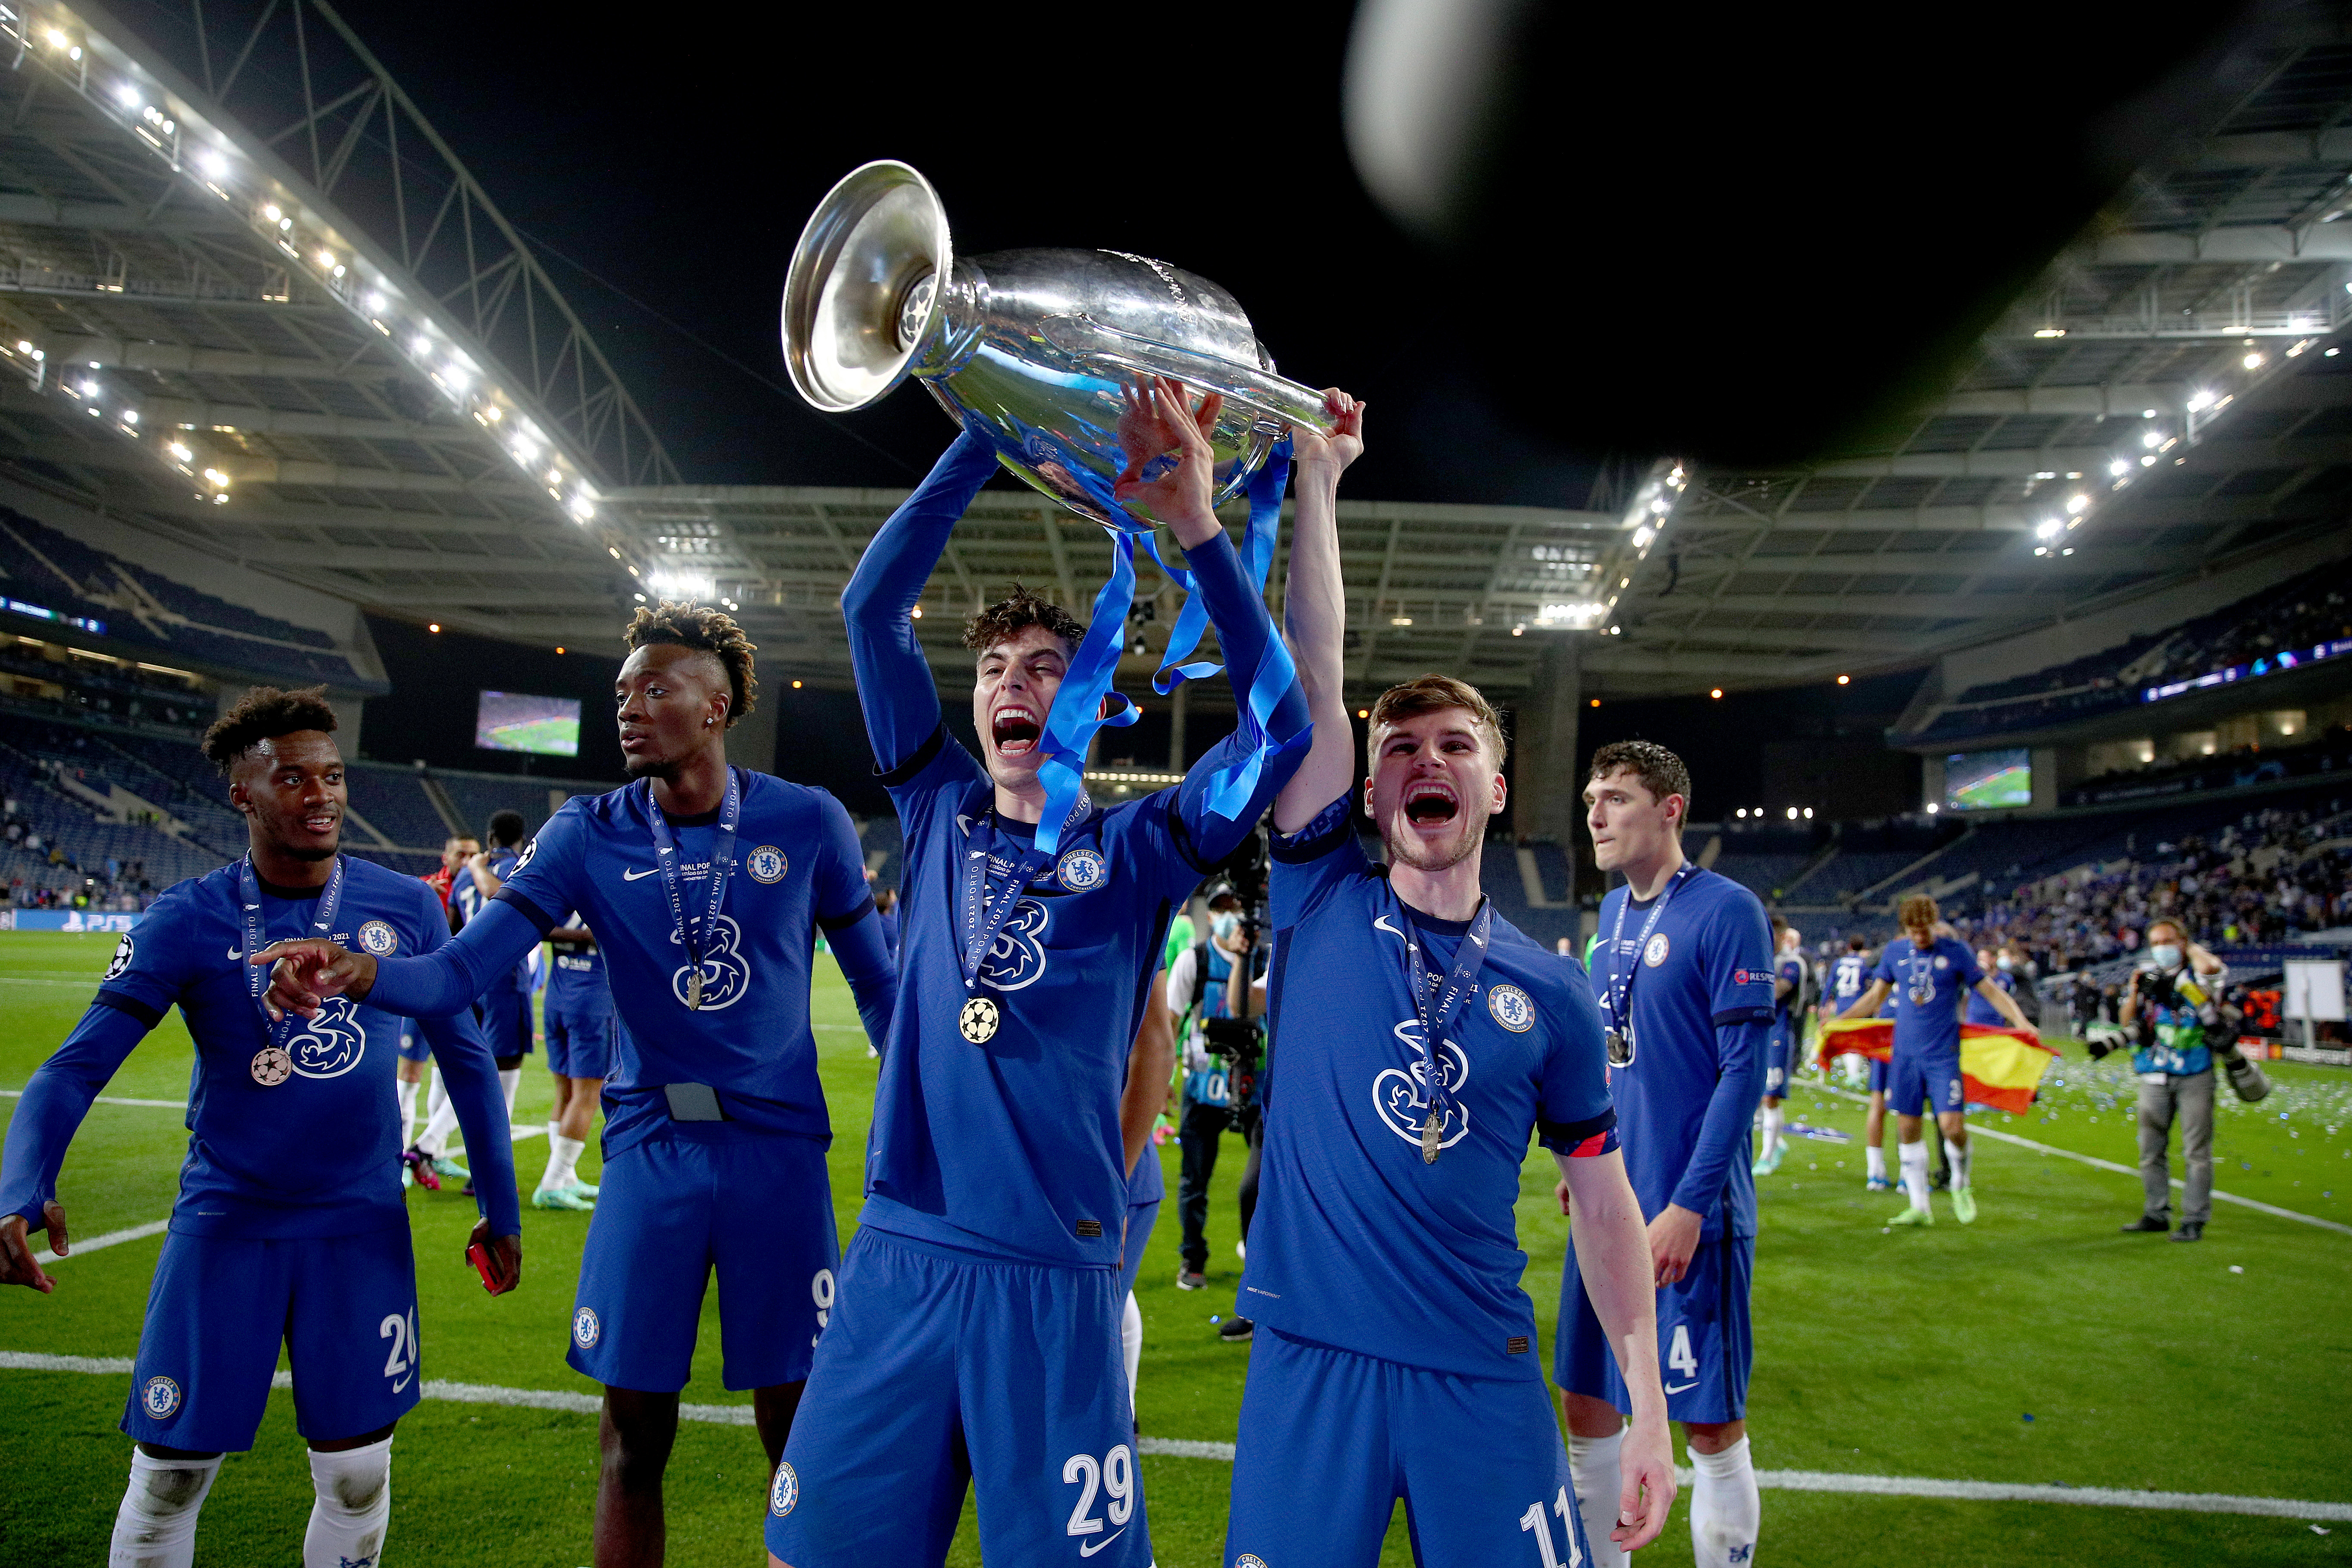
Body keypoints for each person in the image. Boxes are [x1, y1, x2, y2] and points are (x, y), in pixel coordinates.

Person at [766, 376, 1309, 1568]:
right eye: (996, 667)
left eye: (1047, 663)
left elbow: (1284, 734)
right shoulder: (937, 805)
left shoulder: (1136, 854)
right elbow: (872, 612)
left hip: (1053, 1281)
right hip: (902, 1259)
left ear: (1096, 697)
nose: (1015, 680)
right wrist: (982, 431)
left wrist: (1198, 533)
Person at [257, 606, 894, 1568]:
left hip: (779, 1157)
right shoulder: (586, 833)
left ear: (718, 706)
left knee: (801, 1439)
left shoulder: (807, 820)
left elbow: (882, 991)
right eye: (621, 694)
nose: (629, 711)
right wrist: (363, 970)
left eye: (655, 691)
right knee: (631, 1444)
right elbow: (462, 972)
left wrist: (920, 1130)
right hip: (650, 1154)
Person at [1224, 389, 1676, 1568]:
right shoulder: (1321, 899)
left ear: (1497, 788)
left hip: (1482, 1372)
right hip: (1311, 1361)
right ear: (1370, 795)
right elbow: (1315, 680)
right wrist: (1319, 478)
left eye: (1455, 747)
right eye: (1401, 752)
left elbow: (1603, 1203)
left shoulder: (1556, 994)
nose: (1426, 762)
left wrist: (1647, 1407)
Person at [0, 686, 520, 1568]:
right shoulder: (187, 918)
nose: (321, 795)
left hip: (360, 1227)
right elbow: (75, 1066)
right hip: (226, 1222)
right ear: (242, 793)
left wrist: (499, 1208)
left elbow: (468, 1062)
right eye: (292, 779)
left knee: (357, 1474)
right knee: (168, 1478)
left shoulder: (408, 909)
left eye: (332, 775)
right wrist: (21, 1185)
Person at [1562, 740, 1773, 1568]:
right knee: (1586, 1402)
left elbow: (1741, 1072)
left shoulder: (1726, 910)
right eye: (1590, 800)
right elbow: (1618, 1059)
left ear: (1670, 808)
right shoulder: (1612, 915)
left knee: (1707, 1422)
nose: (1596, 815)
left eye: (1615, 797)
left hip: (1690, 1218)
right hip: (1612, 1207)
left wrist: (1690, 1204)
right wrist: (1590, 1167)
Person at [1834, 893, 2036, 1226]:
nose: (1920, 936)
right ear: (1906, 928)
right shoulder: (1896, 953)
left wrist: (2021, 1022)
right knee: (1908, 1127)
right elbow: (1875, 998)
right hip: (1905, 1057)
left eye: (1924, 929)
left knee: (1952, 1127)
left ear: (1934, 923)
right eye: (1913, 931)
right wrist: (1841, 1022)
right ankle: (1919, 1207)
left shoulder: (1956, 952)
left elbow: (1990, 992)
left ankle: (1960, 1180)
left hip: (1943, 1056)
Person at [408, 813, 533, 1187]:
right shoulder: (516, 867)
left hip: (471, 979)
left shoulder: (464, 874)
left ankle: (479, 1173)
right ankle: (429, 1146)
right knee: (502, 1077)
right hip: (505, 979)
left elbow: (451, 923)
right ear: (520, 839)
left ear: (490, 835)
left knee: (481, 1070)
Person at [2115, 919, 2228, 1241]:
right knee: (2150, 1150)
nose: (2162, 948)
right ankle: (2156, 1213)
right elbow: (2127, 1022)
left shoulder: (2197, 974)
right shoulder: (2149, 978)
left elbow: (2211, 967)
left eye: (2168, 941)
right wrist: (2135, 991)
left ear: (2182, 942)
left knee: (2196, 1151)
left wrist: (2190, 947)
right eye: (2156, 943)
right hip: (2155, 1072)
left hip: (2196, 1071)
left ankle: (2194, 1219)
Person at [1166, 894, 1251, 1291]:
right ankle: (1192, 1260)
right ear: (1212, 914)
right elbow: (1168, 1023)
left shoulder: (1263, 959)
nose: (1229, 916)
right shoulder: (1194, 961)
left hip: (1254, 1086)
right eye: (1222, 908)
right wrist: (1164, 1083)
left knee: (1263, 1182)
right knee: (1194, 1180)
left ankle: (1257, 1253)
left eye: (1236, 907)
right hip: (1202, 1087)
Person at [396, 832, 477, 1189]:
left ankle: (437, 1153)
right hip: (423, 992)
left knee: (447, 1075)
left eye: (474, 855)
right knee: (409, 1078)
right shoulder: (429, 890)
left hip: (459, 995)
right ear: (446, 856)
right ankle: (396, 1157)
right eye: (461, 854)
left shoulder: (479, 893)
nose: (467, 861)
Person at [1120, 968, 1175, 1420]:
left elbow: (1157, 1047)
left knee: (1087, 1323)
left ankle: (1119, 1417)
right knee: (1111, 1305)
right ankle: (1126, 1409)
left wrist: (1112, 1186)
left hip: (1113, 1172)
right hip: (1062, 1169)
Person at [534, 910, 610, 1210]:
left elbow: (542, 928)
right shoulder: (608, 891)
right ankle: (553, 1183)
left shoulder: (563, 896)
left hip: (557, 999)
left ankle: (565, 1177)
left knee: (564, 1094)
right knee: (586, 1097)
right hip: (593, 1002)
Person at [1752, 917, 1804, 1176]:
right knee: (1755, 1096)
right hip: (1754, 1032)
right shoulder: (1757, 958)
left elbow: (1778, 991)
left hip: (1779, 1033)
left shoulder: (1791, 963)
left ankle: (1767, 1156)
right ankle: (1779, 1143)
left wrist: (1748, 982)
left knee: (1770, 1097)